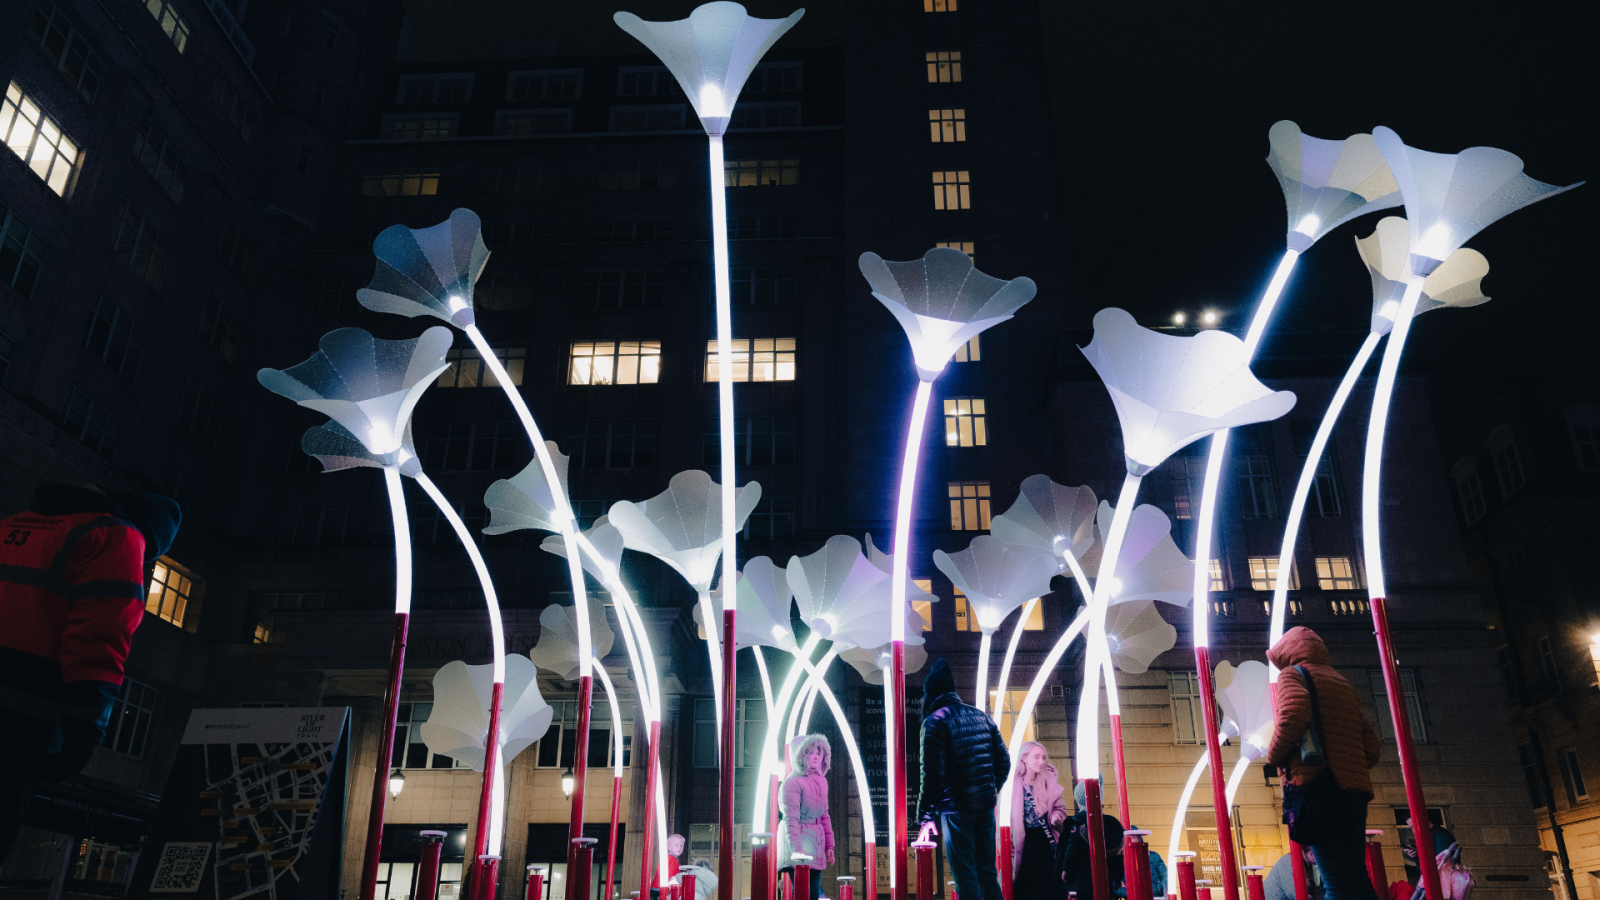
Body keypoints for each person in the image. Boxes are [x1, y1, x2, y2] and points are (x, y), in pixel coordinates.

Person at [0, 483, 180, 862]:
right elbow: (98, 641)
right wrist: (83, 734)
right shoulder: (118, 538)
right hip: (22, 720)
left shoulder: (19, 524)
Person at [1266, 627, 1382, 900]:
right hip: (1354, 793)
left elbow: (1292, 716)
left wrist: (1275, 755)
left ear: (1287, 653)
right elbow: (1372, 749)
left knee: (1335, 881)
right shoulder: (1341, 682)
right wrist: (1347, 764)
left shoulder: (1293, 675)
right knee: (1356, 875)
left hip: (1319, 790)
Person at [915, 658, 1009, 900]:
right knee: (987, 873)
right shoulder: (982, 717)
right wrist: (989, 789)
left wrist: (925, 817)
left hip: (957, 809)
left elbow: (933, 776)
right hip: (986, 808)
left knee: (965, 876)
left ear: (930, 694)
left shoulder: (934, 722)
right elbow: (1004, 762)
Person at [1005, 741, 1067, 899]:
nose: (1042, 761)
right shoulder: (1012, 783)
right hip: (1022, 840)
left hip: (1046, 837)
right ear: (1024, 758)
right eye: (1037, 757)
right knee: (1022, 883)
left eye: (1044, 757)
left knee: (1052, 883)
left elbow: (1060, 808)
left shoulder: (1049, 780)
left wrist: (1056, 817)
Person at [776, 733, 835, 900]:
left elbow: (824, 814)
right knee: (803, 893)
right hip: (798, 843)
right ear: (801, 755)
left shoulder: (822, 781)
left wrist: (830, 846)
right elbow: (791, 819)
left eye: (818, 752)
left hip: (815, 842)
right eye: (810, 752)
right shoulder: (792, 782)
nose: (816, 756)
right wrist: (797, 849)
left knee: (813, 895)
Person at [1060, 780, 1124, 900]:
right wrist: (1118, 877)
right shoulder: (1112, 824)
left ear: (1079, 801)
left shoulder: (1078, 822)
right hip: (1107, 877)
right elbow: (1119, 854)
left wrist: (1067, 869)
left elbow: (1073, 848)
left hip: (1083, 878)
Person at [649, 833, 685, 900]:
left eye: (681, 846)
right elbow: (665, 872)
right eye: (676, 845)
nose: (679, 848)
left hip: (657, 888)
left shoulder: (670, 858)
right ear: (669, 847)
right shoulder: (671, 859)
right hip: (661, 889)